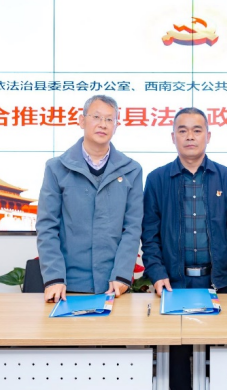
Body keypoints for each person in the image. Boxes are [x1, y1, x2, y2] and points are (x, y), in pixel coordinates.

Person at [142, 107, 227, 390]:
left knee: (218, 359)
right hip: (174, 284)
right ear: (173, 137)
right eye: (183, 130)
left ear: (208, 136)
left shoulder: (226, 177)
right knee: (176, 359)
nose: (190, 136)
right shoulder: (157, 179)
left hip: (217, 283)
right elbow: (149, 236)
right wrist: (157, 274)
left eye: (197, 130)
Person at [37, 95, 143, 303]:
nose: (103, 124)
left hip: (114, 286)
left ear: (116, 126)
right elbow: (47, 226)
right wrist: (54, 278)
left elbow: (132, 227)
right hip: (67, 286)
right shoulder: (57, 168)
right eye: (96, 117)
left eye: (109, 119)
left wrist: (122, 274)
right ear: (81, 120)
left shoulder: (131, 170)